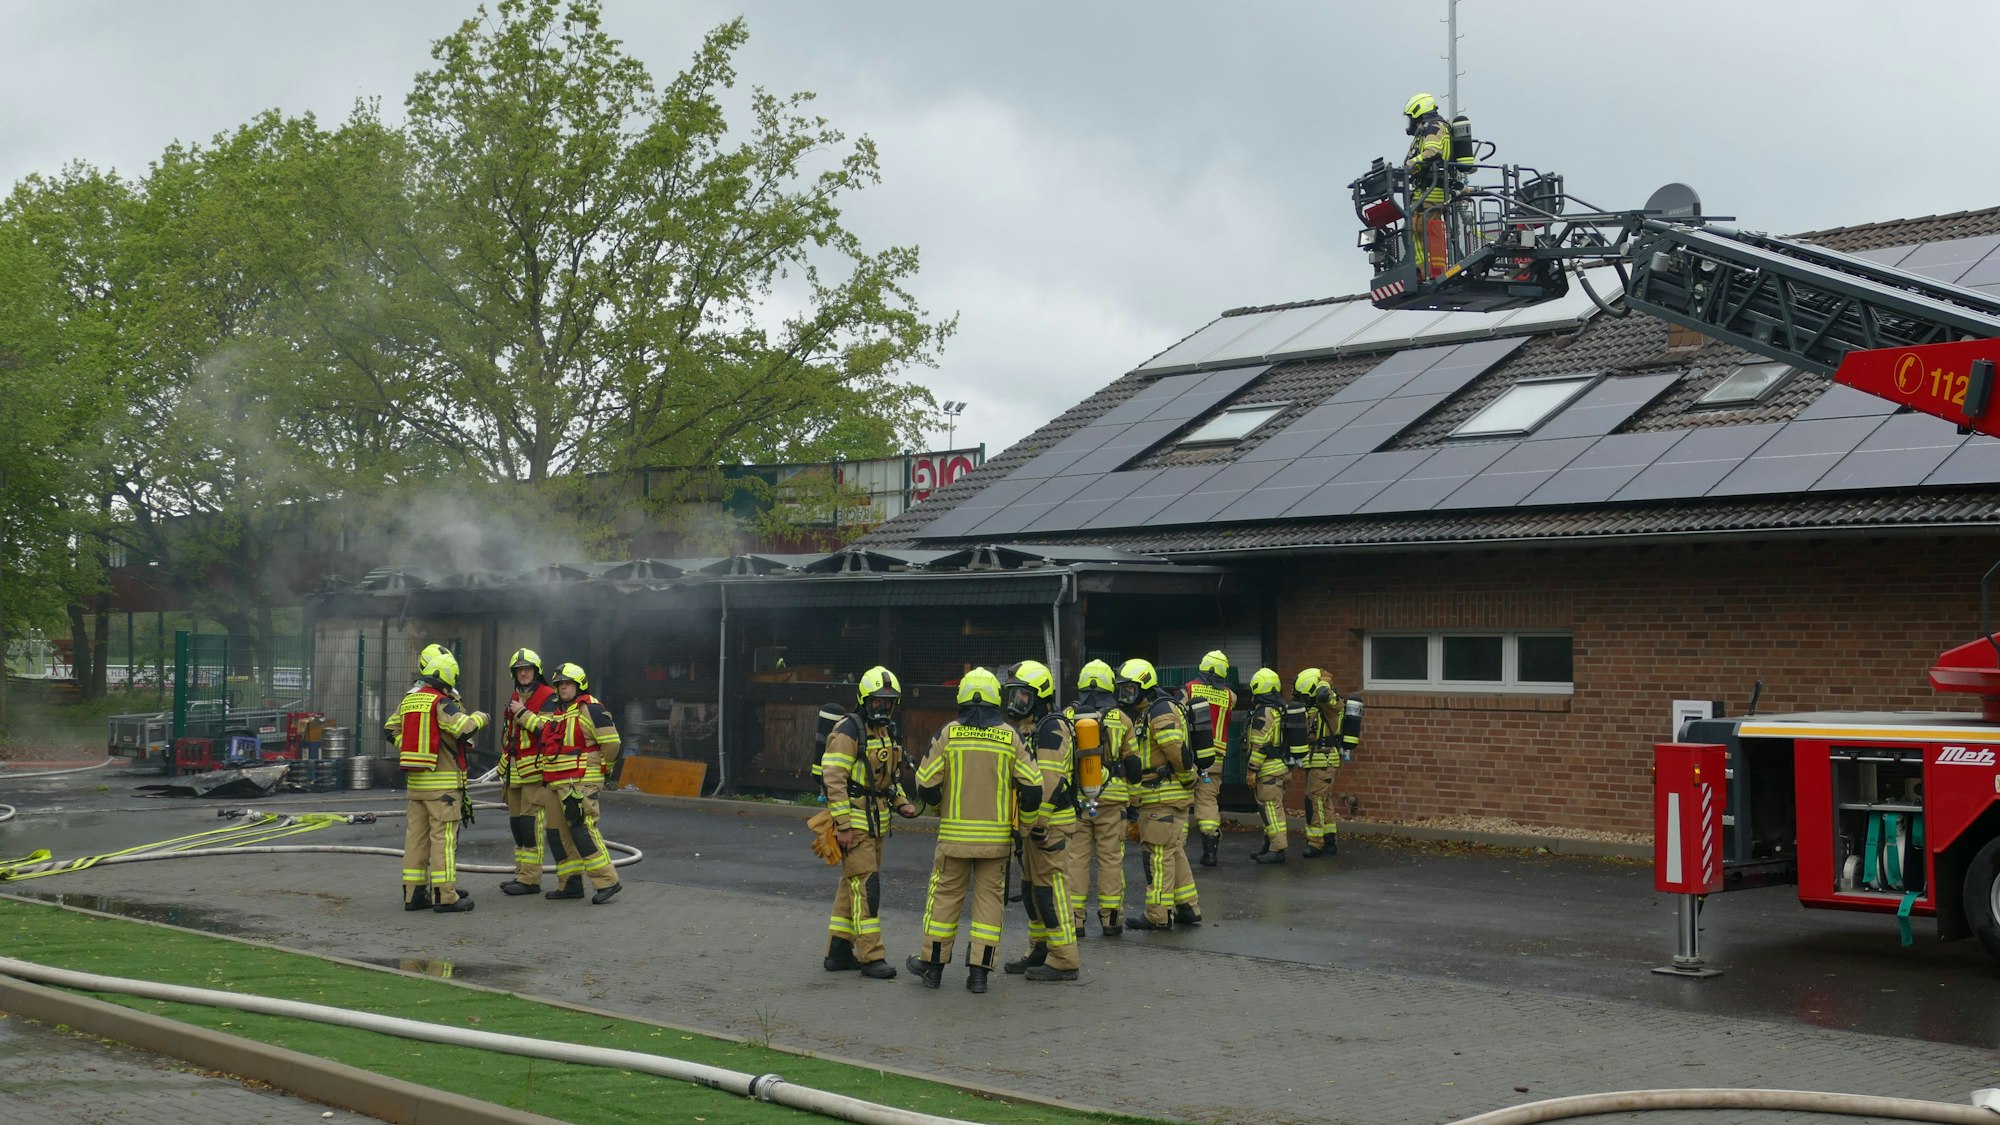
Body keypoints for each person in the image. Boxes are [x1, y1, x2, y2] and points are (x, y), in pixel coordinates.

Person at [906, 668, 1042, 994]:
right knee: (989, 906)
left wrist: (940, 803)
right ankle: (979, 975)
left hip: (954, 840)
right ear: (997, 699)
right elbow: (1034, 787)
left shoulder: (949, 734)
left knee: (944, 901)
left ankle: (933, 969)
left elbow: (925, 783)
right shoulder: (1011, 737)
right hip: (995, 845)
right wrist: (1026, 825)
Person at [820, 666, 917, 980]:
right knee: (867, 888)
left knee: (852, 885)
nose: (883, 708)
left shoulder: (884, 732)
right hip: (857, 825)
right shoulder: (849, 730)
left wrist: (902, 802)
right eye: (877, 702)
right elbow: (834, 779)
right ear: (864, 699)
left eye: (888, 703)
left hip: (876, 824)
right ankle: (871, 957)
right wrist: (844, 826)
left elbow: (888, 778)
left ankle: (837, 952)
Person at [387, 643, 487, 913]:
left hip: (416, 785)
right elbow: (463, 726)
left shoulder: (410, 699)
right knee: (443, 841)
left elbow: (390, 728)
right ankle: (446, 896)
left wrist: (408, 746)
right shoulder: (441, 702)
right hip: (442, 786)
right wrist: (481, 717)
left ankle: (414, 894)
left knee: (415, 840)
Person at [1001, 660, 1081, 982]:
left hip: (1050, 826)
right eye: (1013, 696)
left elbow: (1048, 780)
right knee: (1031, 889)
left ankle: (1064, 958)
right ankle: (1039, 948)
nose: (1015, 703)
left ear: (1040, 695)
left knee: (1050, 891)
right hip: (1034, 825)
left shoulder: (1050, 727)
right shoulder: (1032, 727)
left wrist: (1038, 824)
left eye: (1022, 696)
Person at [517, 662, 623, 903]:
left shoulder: (591, 709)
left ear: (579, 685)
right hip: (556, 783)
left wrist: (605, 769)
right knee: (556, 833)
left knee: (582, 830)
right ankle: (570, 883)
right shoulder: (560, 711)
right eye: (559, 684)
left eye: (567, 683)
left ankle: (608, 881)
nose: (562, 687)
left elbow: (612, 744)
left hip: (581, 783)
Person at [1116, 658, 1201, 930]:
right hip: (1161, 794)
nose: (1124, 695)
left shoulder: (1159, 710)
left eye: (1129, 689)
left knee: (1158, 855)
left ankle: (1158, 914)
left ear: (1144, 685)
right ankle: (1188, 907)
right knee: (1172, 850)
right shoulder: (1151, 710)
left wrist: (1188, 777)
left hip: (1163, 794)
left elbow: (1175, 749)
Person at [1068, 660, 1130, 935]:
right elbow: (1134, 763)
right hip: (1113, 798)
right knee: (1111, 859)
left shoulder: (1068, 715)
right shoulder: (1122, 718)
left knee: (1075, 860)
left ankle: (1075, 920)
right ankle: (1112, 920)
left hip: (1079, 799)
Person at [498, 649, 559, 896]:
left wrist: (522, 713)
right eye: (519, 669)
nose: (523, 673)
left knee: (530, 825)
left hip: (534, 774)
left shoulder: (548, 697)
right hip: (514, 772)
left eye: (528, 669)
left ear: (536, 672)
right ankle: (521, 873)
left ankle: (531, 880)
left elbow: (548, 730)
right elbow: (508, 732)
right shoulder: (516, 695)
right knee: (517, 825)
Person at [1179, 650, 1236, 868]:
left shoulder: (1189, 689)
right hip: (1215, 760)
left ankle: (1178, 850)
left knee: (1182, 803)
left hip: (1190, 757)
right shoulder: (1231, 696)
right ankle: (1210, 852)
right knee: (1208, 803)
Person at [1293, 668, 1347, 859]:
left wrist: (1323, 683)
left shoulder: (1330, 703)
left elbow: (1324, 695)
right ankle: (1329, 839)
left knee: (1313, 800)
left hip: (1323, 759)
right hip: (1316, 759)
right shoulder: (1318, 707)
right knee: (1324, 800)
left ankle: (1316, 842)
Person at [1242, 668, 1291, 864]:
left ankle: (1277, 849)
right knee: (1268, 809)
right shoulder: (1279, 708)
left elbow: (1259, 744)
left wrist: (1252, 770)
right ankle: (1269, 845)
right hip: (1279, 767)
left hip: (1268, 769)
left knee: (1271, 810)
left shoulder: (1264, 712)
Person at [1403, 91, 1454, 280]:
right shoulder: (1427, 128)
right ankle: (1421, 270)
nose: (1409, 122)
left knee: (1428, 229)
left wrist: (1410, 166)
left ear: (1418, 112)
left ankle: (1434, 272)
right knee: (1413, 229)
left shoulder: (1434, 127)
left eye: (1410, 117)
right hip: (1425, 191)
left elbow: (1433, 152)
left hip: (1433, 191)